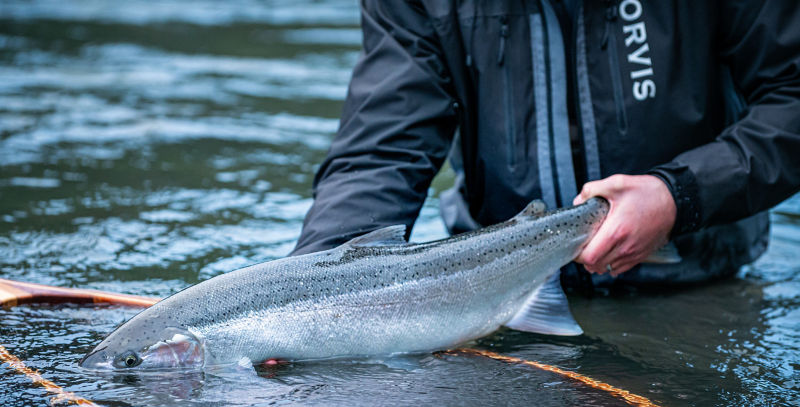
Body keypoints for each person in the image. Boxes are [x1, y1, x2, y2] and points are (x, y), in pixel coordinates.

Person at [292, 0, 800, 289]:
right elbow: (381, 151)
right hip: (494, 296)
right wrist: (308, 288)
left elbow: (791, 98)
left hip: (699, 282)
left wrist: (679, 196)